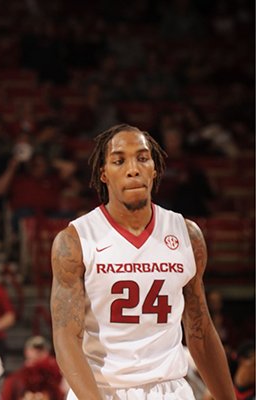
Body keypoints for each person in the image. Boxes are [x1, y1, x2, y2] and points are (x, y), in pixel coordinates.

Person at [49, 123, 235, 399]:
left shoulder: (187, 235)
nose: (132, 169)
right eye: (119, 160)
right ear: (103, 174)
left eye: (143, 158)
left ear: (155, 168)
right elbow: (66, 338)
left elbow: (200, 331)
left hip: (170, 388)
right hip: (102, 389)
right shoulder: (76, 240)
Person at [0, 335, 64, 400]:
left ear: (48, 352)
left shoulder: (55, 376)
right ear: (26, 351)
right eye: (34, 348)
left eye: (41, 349)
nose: (37, 352)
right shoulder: (15, 380)